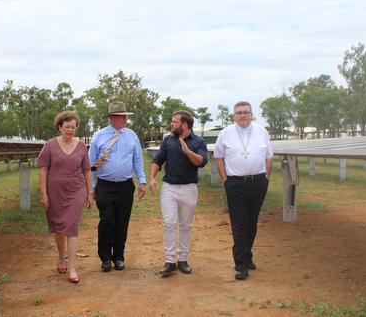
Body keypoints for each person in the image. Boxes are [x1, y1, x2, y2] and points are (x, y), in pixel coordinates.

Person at [213, 101, 273, 281]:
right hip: (235, 184)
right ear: (234, 116)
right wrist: (225, 180)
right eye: (239, 113)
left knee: (252, 221)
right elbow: (219, 157)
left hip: (258, 182)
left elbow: (269, 156)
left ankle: (247, 255)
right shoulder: (225, 133)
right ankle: (240, 264)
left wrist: (266, 178)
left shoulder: (261, 132)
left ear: (252, 115)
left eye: (246, 112)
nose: (243, 115)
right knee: (239, 222)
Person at [89, 102, 147, 272]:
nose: (125, 119)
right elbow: (92, 164)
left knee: (122, 222)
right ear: (111, 118)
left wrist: (142, 181)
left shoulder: (131, 136)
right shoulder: (98, 136)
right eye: (122, 116)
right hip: (105, 186)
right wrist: (91, 187)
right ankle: (105, 258)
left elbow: (137, 160)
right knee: (107, 220)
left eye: (126, 116)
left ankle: (119, 257)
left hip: (125, 186)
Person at [149, 110, 208, 277]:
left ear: (185, 125)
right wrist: (152, 177)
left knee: (185, 225)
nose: (171, 124)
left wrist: (188, 152)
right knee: (168, 223)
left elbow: (202, 162)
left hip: (189, 188)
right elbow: (157, 160)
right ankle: (169, 261)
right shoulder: (168, 140)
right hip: (169, 188)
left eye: (174, 122)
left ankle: (183, 260)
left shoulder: (198, 141)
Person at [37, 111, 94, 284]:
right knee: (59, 227)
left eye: (73, 127)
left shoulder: (82, 146)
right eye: (67, 127)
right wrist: (43, 193)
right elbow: (43, 169)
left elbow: (86, 169)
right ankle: (61, 256)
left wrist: (90, 192)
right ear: (60, 127)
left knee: (71, 226)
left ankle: (72, 267)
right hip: (55, 191)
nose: (70, 130)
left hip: (76, 190)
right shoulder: (50, 145)